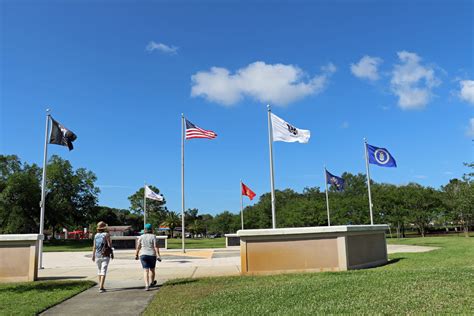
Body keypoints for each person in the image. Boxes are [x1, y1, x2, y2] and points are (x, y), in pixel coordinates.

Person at [135, 223, 161, 291]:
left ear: (145, 230)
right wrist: (158, 255)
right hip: (152, 255)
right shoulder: (153, 236)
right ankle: (152, 283)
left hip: (143, 255)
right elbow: (155, 246)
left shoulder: (141, 236)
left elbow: (138, 247)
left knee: (145, 270)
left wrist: (136, 254)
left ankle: (146, 286)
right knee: (152, 269)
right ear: (151, 229)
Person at [92, 221, 113, 293]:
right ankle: (101, 287)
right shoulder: (106, 234)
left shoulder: (96, 235)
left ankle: (101, 285)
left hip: (97, 255)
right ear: (104, 228)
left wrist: (93, 255)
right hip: (105, 255)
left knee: (99, 270)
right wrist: (112, 253)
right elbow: (109, 245)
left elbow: (94, 246)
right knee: (103, 270)